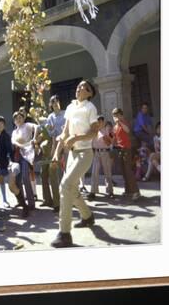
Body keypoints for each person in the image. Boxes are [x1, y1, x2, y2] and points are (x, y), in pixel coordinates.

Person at [50, 80, 100, 248]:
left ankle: (65, 234)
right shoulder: (71, 107)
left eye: (84, 87)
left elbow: (94, 132)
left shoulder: (90, 108)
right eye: (79, 85)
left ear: (90, 93)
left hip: (85, 154)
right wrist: (57, 153)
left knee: (65, 186)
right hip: (71, 154)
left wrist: (76, 138)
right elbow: (64, 132)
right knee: (72, 188)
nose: (79, 88)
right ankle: (87, 216)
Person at [0, 117, 27, 215]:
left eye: (2, 123)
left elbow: (10, 151)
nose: (0, 125)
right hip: (2, 167)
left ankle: (25, 207)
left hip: (9, 165)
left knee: (12, 187)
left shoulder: (5, 136)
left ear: (4, 125)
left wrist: (11, 163)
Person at [36, 95, 63, 211]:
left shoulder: (65, 114)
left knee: (54, 175)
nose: (55, 103)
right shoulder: (49, 117)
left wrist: (55, 149)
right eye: (53, 102)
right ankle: (47, 200)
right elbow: (49, 132)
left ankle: (57, 203)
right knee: (43, 175)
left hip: (60, 146)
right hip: (48, 148)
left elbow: (61, 132)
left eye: (57, 101)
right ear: (50, 105)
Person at [112, 108, 140, 200]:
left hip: (127, 149)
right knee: (124, 171)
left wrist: (120, 122)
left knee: (128, 170)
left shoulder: (124, 122)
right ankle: (128, 190)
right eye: (114, 115)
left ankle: (136, 192)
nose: (115, 117)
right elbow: (113, 137)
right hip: (119, 150)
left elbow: (128, 130)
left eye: (117, 115)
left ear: (121, 115)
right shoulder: (115, 126)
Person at [11, 111, 37, 212]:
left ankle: (31, 203)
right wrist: (20, 144)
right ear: (14, 121)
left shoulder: (27, 125)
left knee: (26, 177)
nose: (18, 119)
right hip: (17, 156)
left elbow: (37, 127)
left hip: (27, 155)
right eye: (16, 118)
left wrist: (34, 138)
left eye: (20, 117)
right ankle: (21, 201)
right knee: (17, 179)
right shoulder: (14, 131)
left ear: (23, 118)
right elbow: (13, 141)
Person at [89, 115, 114, 200]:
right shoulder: (94, 131)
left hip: (105, 152)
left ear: (103, 122)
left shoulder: (108, 130)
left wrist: (105, 136)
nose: (99, 123)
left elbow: (111, 142)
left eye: (101, 121)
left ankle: (110, 191)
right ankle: (93, 191)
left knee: (107, 172)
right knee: (94, 172)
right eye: (98, 121)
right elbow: (90, 143)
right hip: (96, 152)